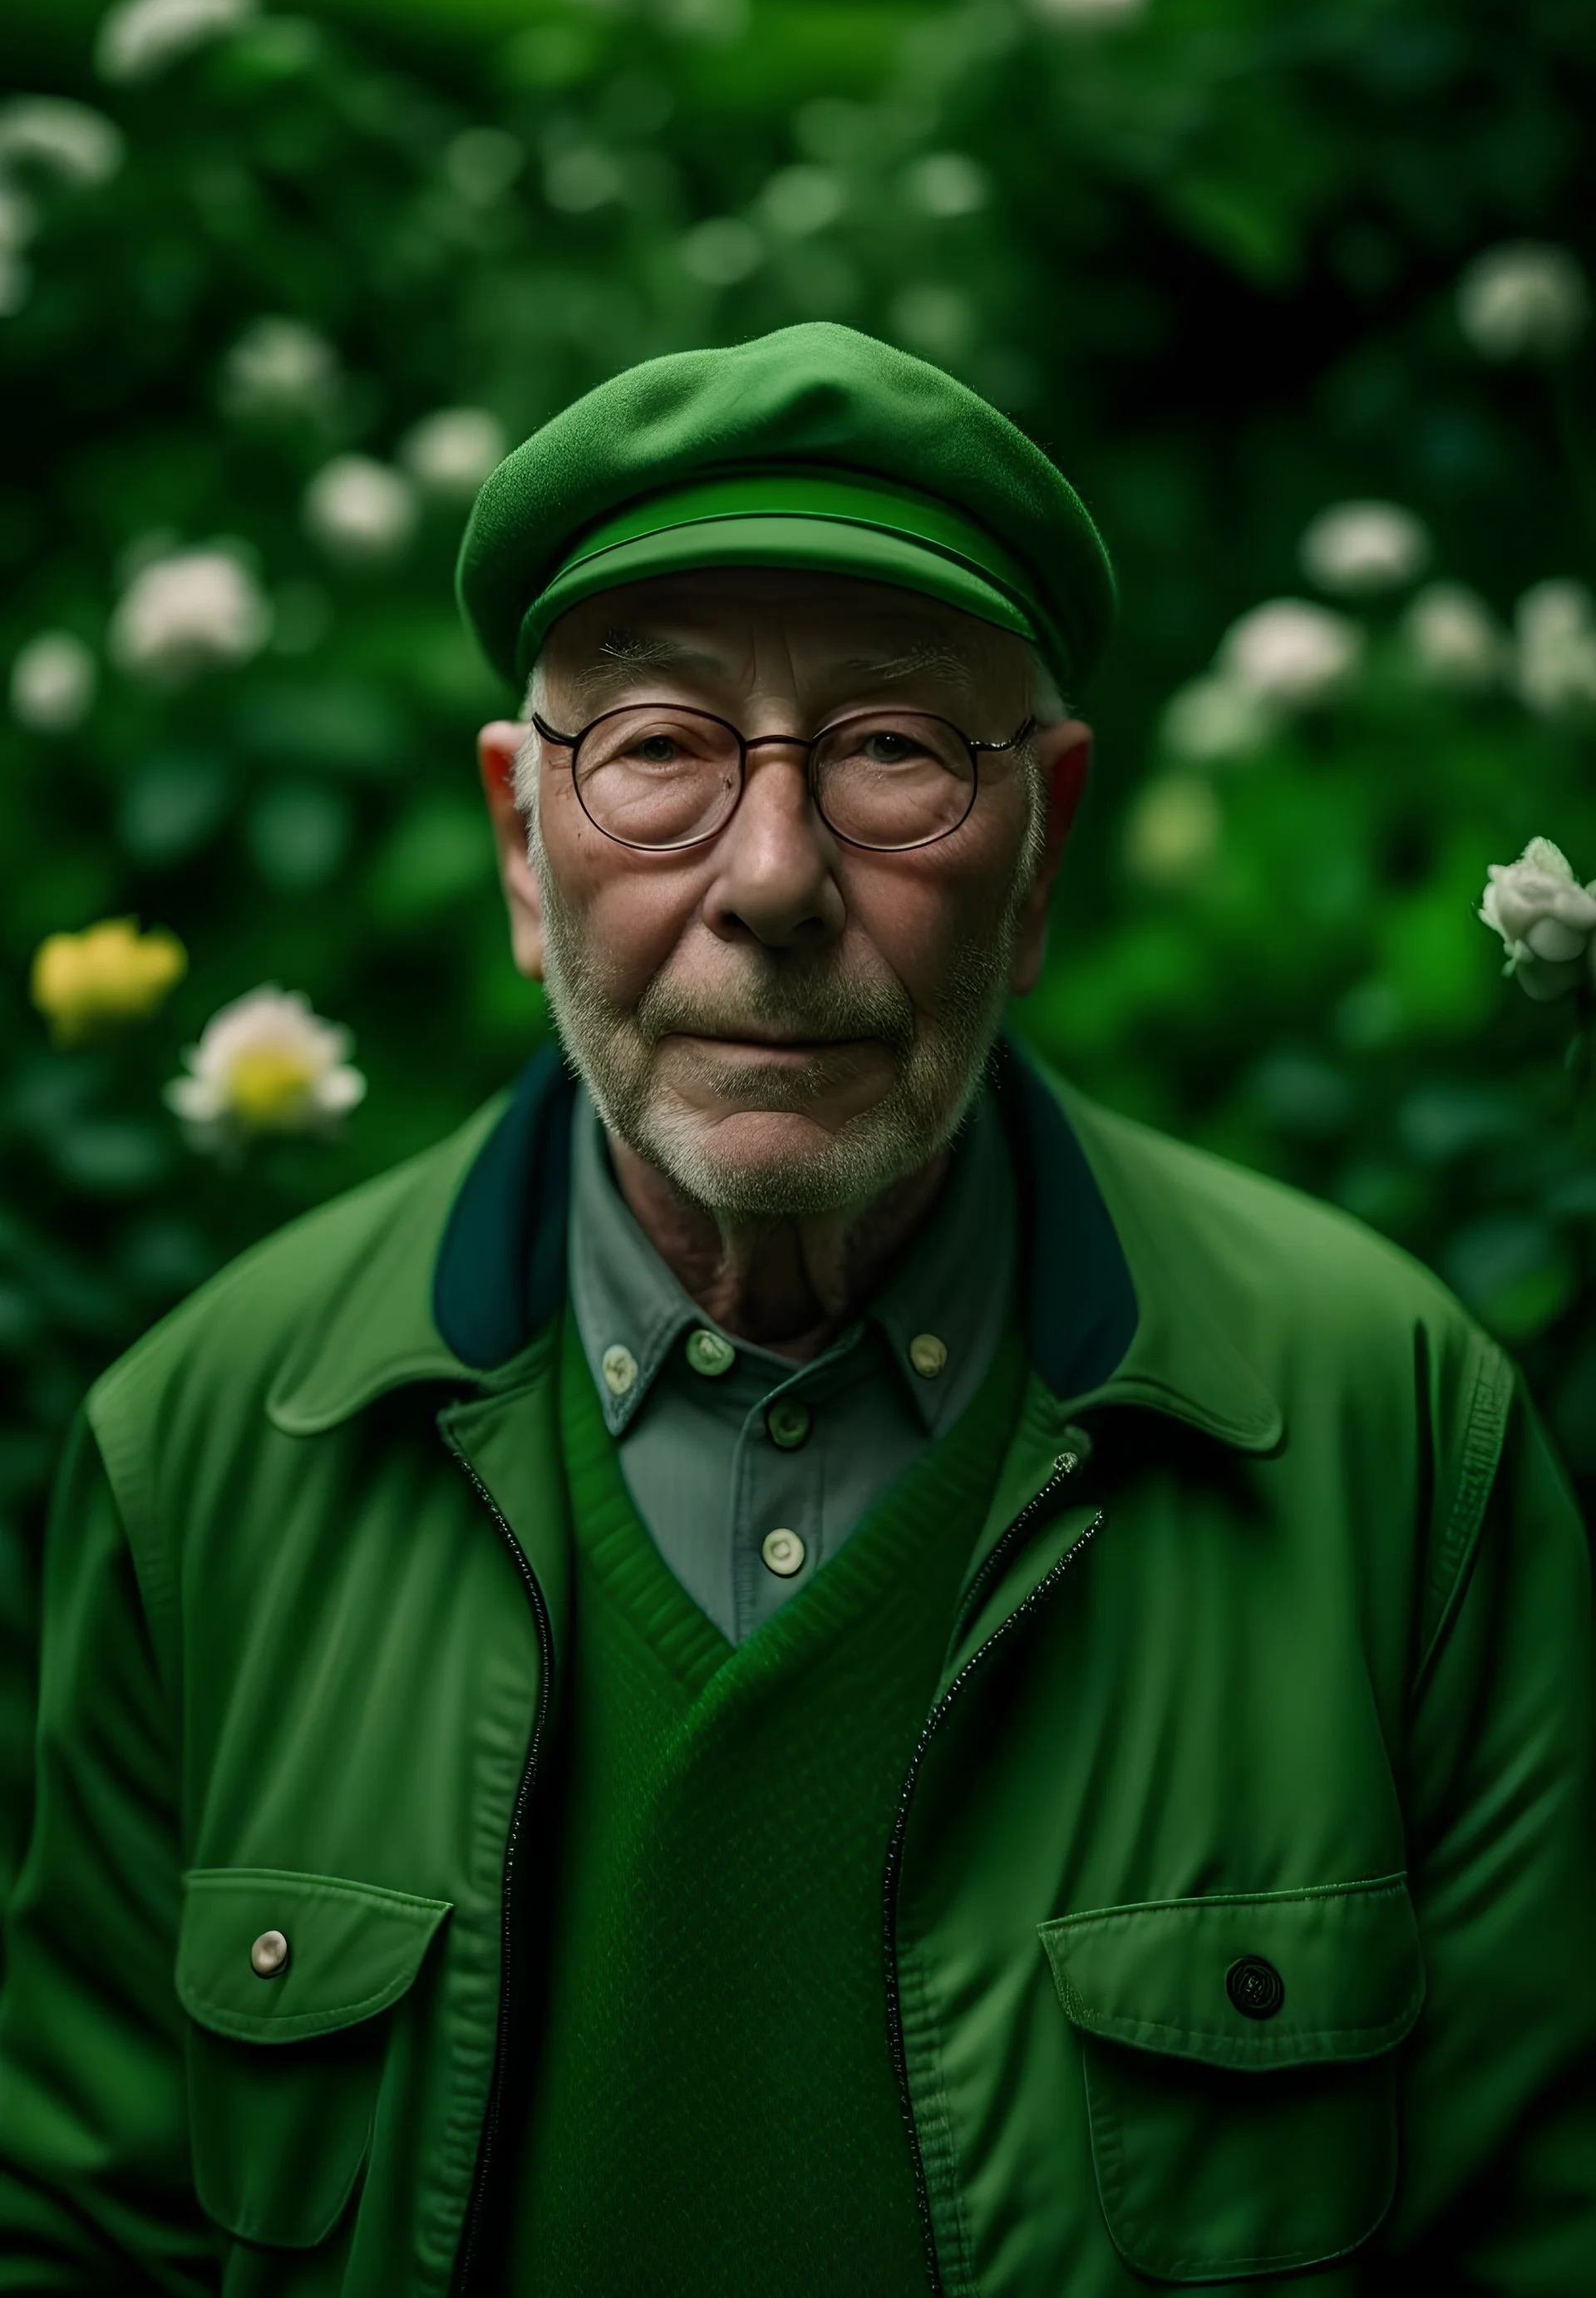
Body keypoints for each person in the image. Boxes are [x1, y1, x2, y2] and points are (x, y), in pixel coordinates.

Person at [0, 323, 1589, 2298]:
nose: (772, 878)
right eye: (659, 748)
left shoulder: (1386, 1426)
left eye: (895, 754)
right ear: (521, 845)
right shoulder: (208, 1449)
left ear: (1043, 853)